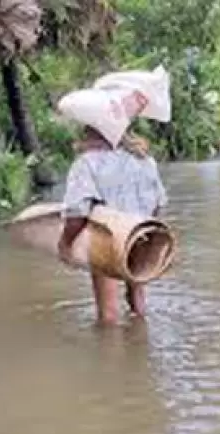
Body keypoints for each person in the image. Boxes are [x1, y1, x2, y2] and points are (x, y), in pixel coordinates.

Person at [57, 92, 168, 326]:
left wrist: (66, 244)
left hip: (107, 239)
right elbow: (158, 204)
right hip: (141, 235)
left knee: (108, 316)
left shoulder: (87, 163)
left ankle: (111, 359)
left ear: (91, 130)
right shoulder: (145, 160)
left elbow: (77, 213)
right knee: (138, 305)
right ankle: (140, 348)